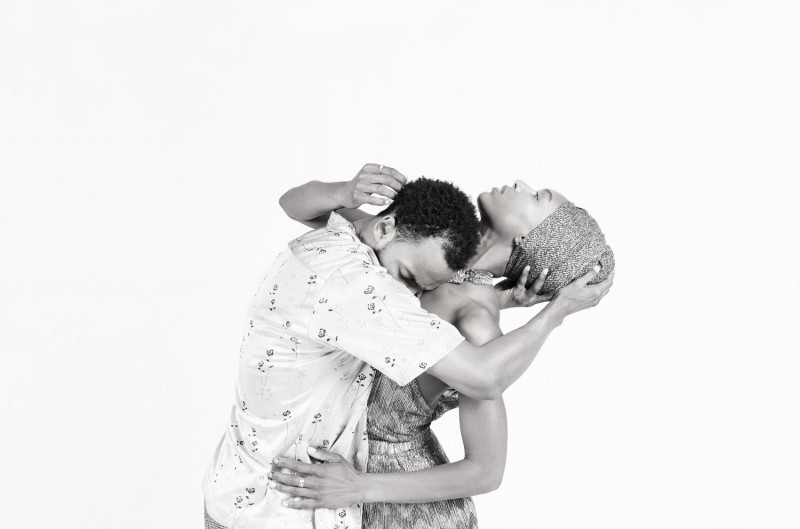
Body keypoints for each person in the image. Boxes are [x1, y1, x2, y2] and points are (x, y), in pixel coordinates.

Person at [202, 165, 611, 529]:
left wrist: (556, 311)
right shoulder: (421, 241)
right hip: (315, 491)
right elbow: (298, 206)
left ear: (532, 240)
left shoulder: (474, 318)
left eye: (538, 197)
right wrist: (345, 190)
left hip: (393, 505)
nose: (521, 183)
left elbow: (487, 468)